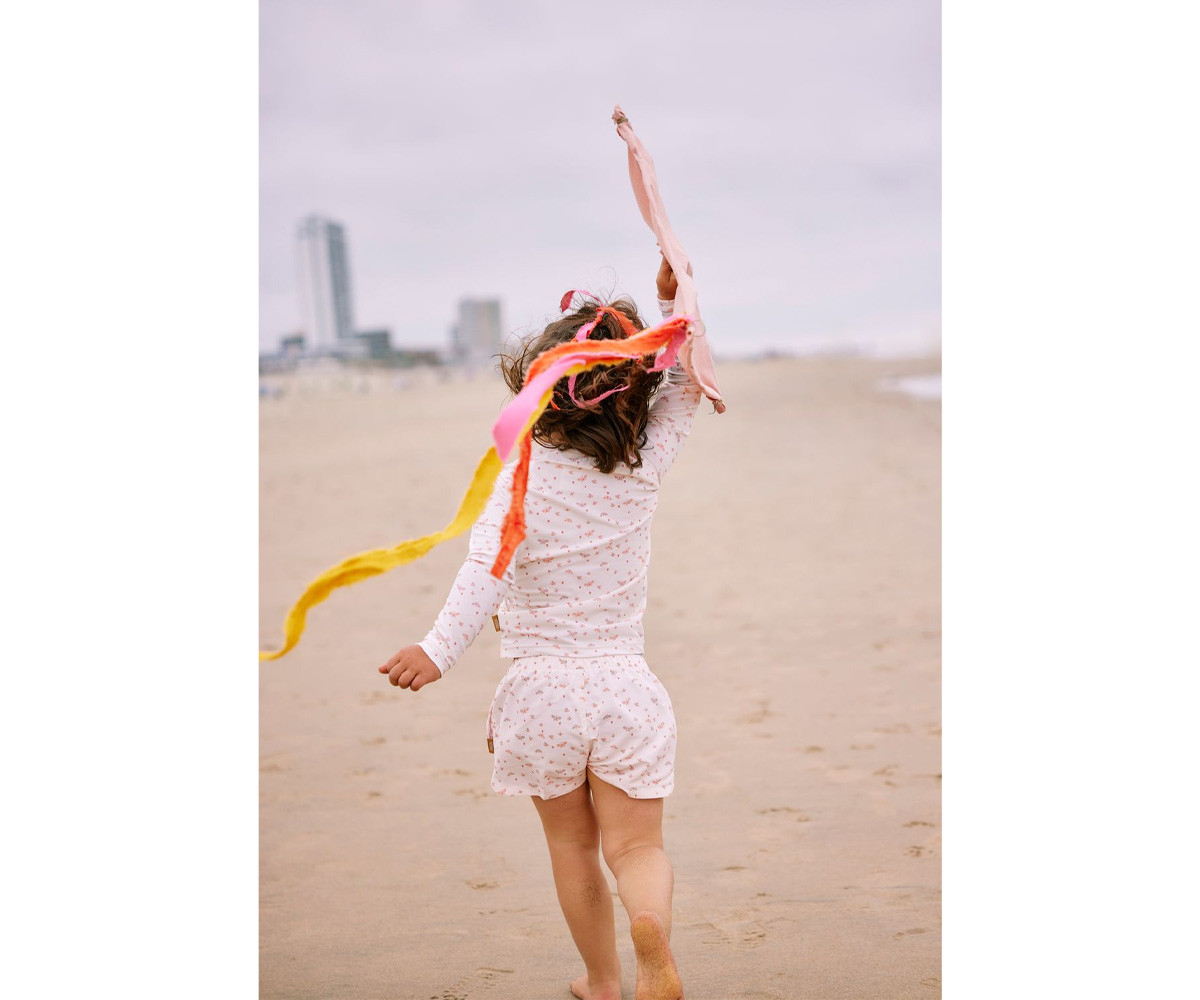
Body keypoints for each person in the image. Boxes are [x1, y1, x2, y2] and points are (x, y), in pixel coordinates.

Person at [378, 256, 700, 1000]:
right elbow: (684, 378)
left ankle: (601, 980)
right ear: (633, 395)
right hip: (624, 686)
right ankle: (648, 921)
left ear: (540, 391)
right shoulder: (644, 464)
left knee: (571, 847)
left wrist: (436, 650)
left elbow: (482, 572)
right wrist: (671, 295)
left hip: (538, 693)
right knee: (636, 847)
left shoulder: (519, 477)